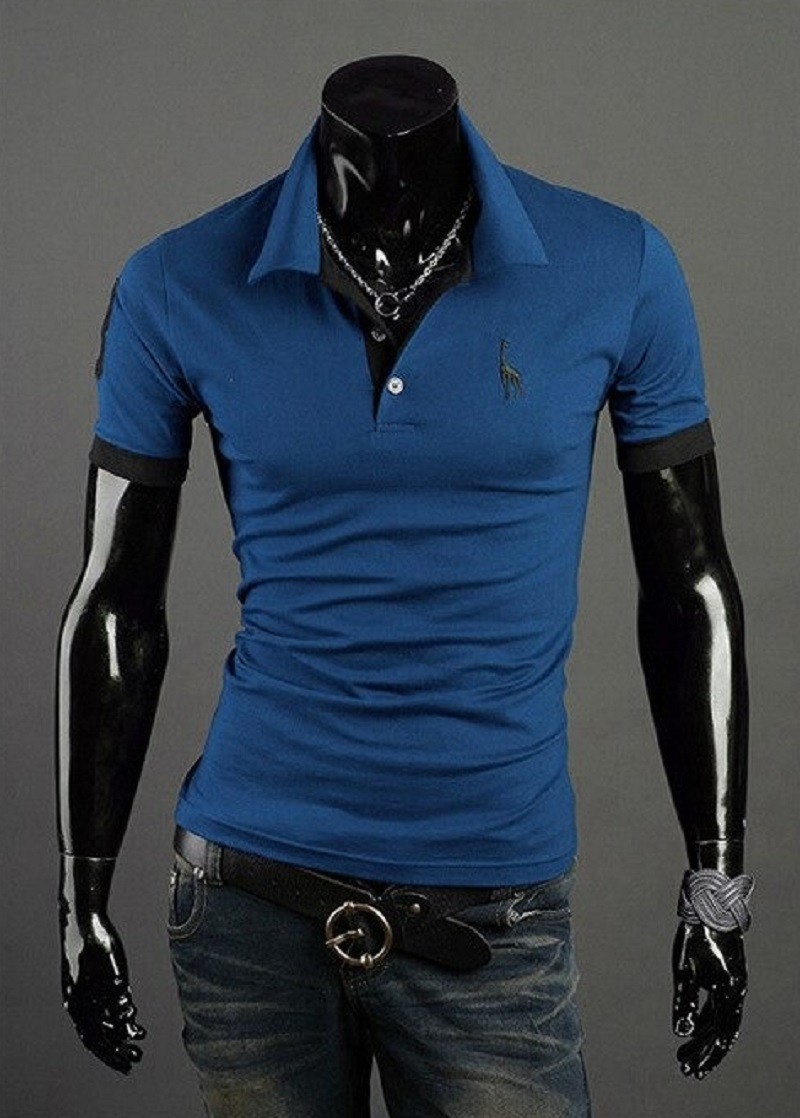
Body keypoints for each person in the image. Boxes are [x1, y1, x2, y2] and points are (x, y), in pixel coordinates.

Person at [56, 54, 753, 1117]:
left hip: (493, 918)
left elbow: (690, 581)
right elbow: (114, 601)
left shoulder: (616, 265)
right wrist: (81, 887)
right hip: (246, 907)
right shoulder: (178, 280)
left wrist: (716, 878)